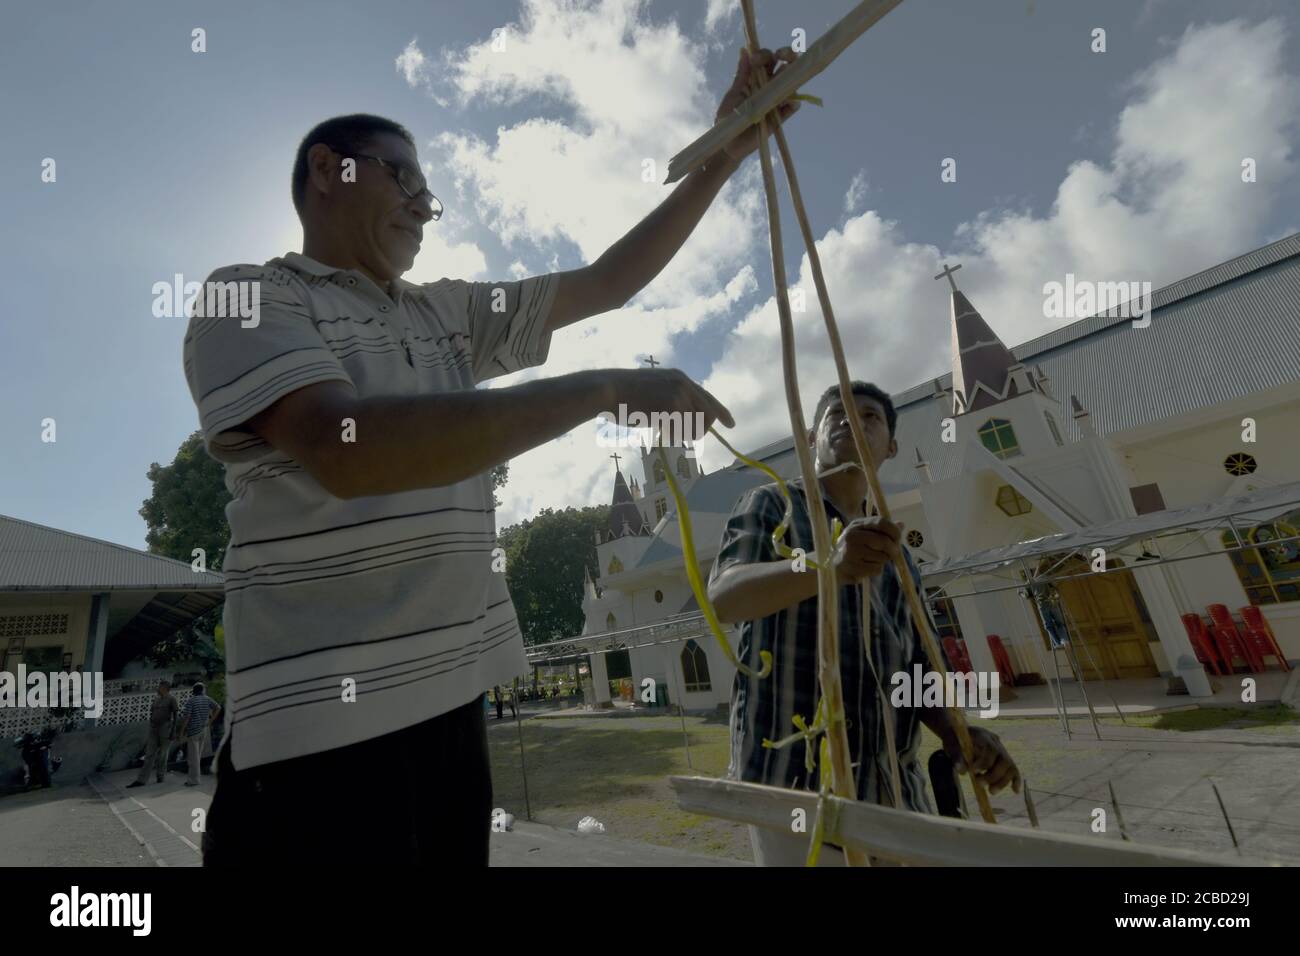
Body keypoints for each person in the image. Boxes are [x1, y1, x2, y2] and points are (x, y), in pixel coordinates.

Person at [184, 47, 803, 867]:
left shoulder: (448, 312)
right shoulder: (250, 296)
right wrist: (600, 390)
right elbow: (348, 449)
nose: (422, 205)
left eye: (429, 194)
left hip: (452, 714)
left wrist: (729, 144)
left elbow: (608, 280)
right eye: (402, 178)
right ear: (327, 170)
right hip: (313, 738)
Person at [707, 381, 1021, 866]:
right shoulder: (772, 506)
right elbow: (725, 598)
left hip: (895, 793)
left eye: (871, 415)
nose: (852, 420)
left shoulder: (900, 556)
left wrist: (958, 731)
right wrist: (828, 565)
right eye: (837, 412)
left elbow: (918, 668)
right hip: (795, 794)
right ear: (811, 437)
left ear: (891, 447)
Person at [127, 681, 178, 788]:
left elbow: (175, 715)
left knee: (163, 755)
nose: (157, 689)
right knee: (149, 754)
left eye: (159, 687)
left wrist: (173, 731)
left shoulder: (172, 699)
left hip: (166, 728)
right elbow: (152, 712)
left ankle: (160, 776)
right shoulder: (156, 699)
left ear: (165, 688)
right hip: (154, 728)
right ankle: (141, 780)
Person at [177, 683, 221, 787]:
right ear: (202, 690)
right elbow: (218, 708)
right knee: (197, 756)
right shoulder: (207, 699)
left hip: (193, 732)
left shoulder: (191, 701)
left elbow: (186, 718)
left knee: (193, 757)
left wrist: (181, 732)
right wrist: (210, 721)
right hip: (203, 730)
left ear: (194, 691)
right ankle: (195, 779)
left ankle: (194, 780)